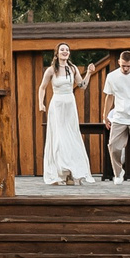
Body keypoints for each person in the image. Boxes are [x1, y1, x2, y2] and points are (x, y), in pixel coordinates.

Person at [39, 42, 90, 186]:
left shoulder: (72, 69)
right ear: (57, 53)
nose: (65, 52)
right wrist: (41, 103)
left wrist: (90, 73)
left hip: (70, 105)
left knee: (71, 137)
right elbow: (42, 88)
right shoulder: (51, 70)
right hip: (57, 105)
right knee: (59, 139)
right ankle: (61, 173)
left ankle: (71, 173)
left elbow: (82, 86)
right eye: (62, 50)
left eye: (67, 50)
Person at [103, 48, 130, 182]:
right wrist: (105, 115)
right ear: (119, 62)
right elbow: (109, 96)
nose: (126, 68)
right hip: (119, 116)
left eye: (128, 66)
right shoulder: (112, 76)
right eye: (123, 66)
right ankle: (118, 173)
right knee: (113, 145)